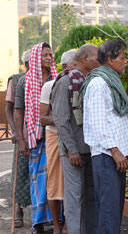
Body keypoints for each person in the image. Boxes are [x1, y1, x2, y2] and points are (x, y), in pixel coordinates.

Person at [82, 40, 128, 234]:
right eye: (122, 57)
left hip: (113, 156)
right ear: (111, 60)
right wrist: (115, 151)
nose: (125, 61)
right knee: (108, 212)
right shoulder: (98, 83)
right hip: (107, 156)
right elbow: (98, 123)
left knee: (113, 212)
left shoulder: (110, 80)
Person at [51, 44, 100, 234]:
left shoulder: (90, 81)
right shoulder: (65, 82)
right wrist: (72, 149)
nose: (100, 60)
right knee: (75, 200)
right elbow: (61, 120)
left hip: (90, 150)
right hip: (74, 152)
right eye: (97, 56)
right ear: (85, 58)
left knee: (90, 198)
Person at [15, 42, 59, 234]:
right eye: (45, 55)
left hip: (54, 136)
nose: (49, 58)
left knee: (55, 178)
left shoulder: (57, 79)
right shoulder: (24, 81)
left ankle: (56, 219)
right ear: (35, 58)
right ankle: (38, 223)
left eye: (51, 55)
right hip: (34, 139)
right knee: (37, 180)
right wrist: (21, 140)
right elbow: (18, 112)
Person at [39, 49, 76, 234]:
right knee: (54, 181)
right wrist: (66, 121)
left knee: (74, 181)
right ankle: (56, 225)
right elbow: (43, 118)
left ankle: (70, 224)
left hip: (75, 138)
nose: (78, 69)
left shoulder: (80, 83)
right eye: (75, 65)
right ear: (64, 67)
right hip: (55, 135)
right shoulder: (50, 86)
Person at [6, 50, 31, 228]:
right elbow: (10, 108)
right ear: (25, 64)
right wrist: (14, 131)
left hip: (40, 133)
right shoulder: (15, 80)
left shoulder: (46, 79)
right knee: (20, 173)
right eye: (29, 62)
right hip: (22, 133)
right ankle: (19, 210)